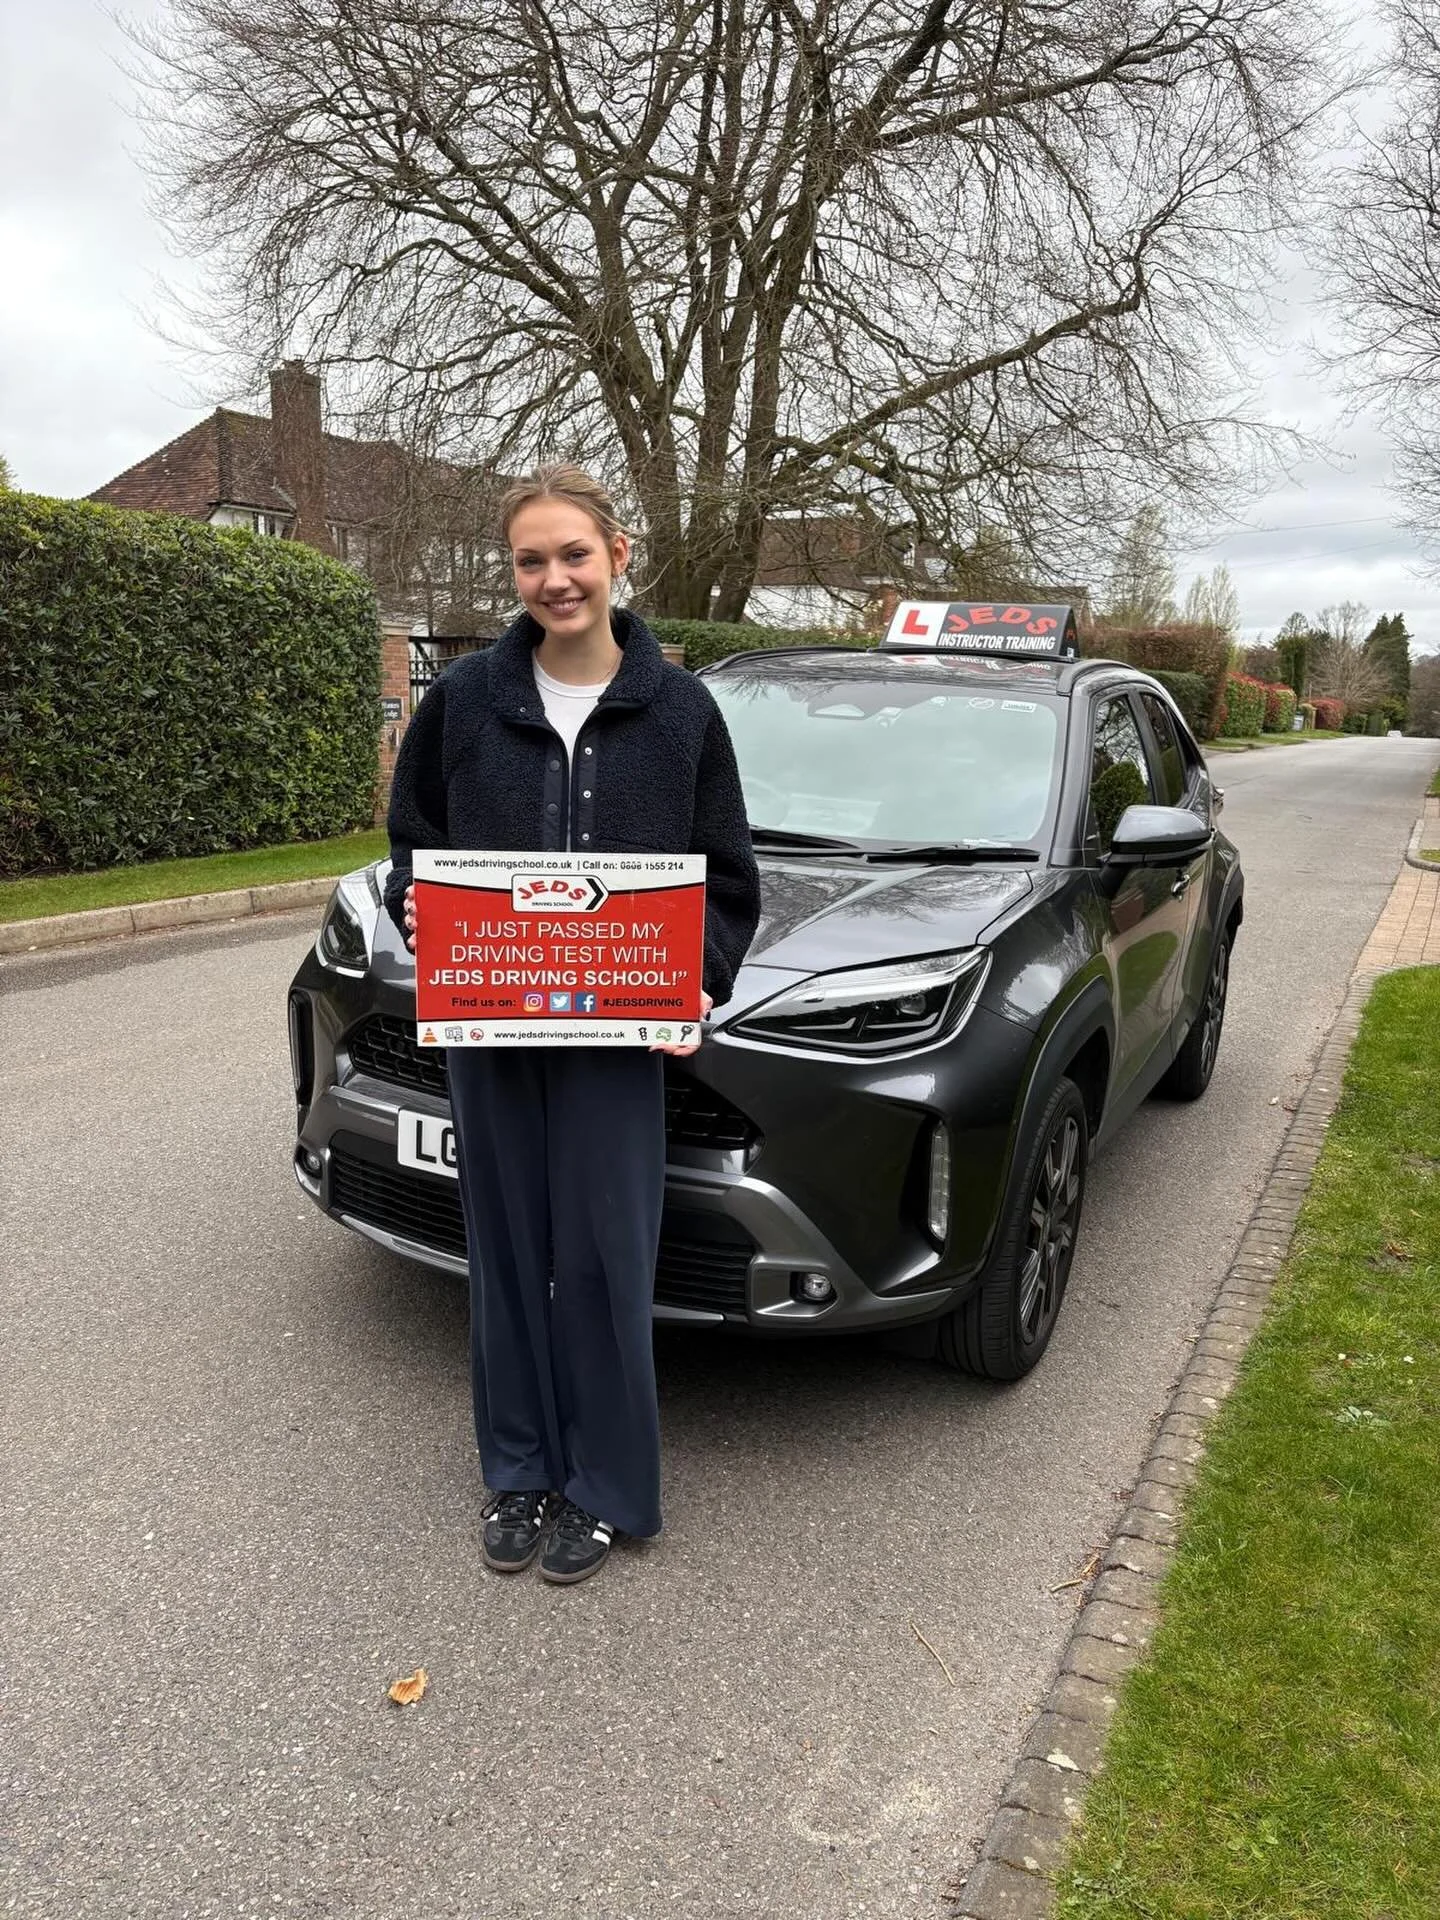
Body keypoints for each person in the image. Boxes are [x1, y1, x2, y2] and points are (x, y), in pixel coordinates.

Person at [383, 464, 761, 1585]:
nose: (554, 579)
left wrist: (694, 980)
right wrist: (421, 904)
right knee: (502, 1253)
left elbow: (727, 877)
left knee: (601, 1259)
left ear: (619, 556)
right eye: (531, 561)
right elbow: (418, 841)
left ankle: (603, 1488)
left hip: (615, 1045)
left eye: (573, 555)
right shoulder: (463, 701)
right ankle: (518, 1470)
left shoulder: (682, 713)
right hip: (494, 1036)